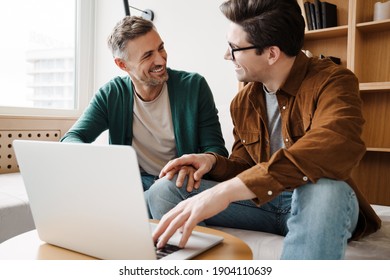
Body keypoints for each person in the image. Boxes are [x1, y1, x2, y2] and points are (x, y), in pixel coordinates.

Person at [147, 0, 381, 259]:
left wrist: (224, 192)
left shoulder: (334, 81)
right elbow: (244, 164)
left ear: (271, 53)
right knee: (164, 190)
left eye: (234, 48)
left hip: (317, 202)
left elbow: (335, 144)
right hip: (264, 204)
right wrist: (212, 162)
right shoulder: (244, 101)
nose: (227, 56)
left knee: (324, 190)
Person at [61, 16, 228, 190]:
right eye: (148, 55)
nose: (161, 60)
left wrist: (192, 165)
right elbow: (70, 139)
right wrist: (100, 163)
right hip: (134, 183)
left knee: (162, 191)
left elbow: (217, 150)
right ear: (122, 65)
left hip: (177, 184)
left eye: (161, 48)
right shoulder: (112, 94)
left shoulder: (194, 86)